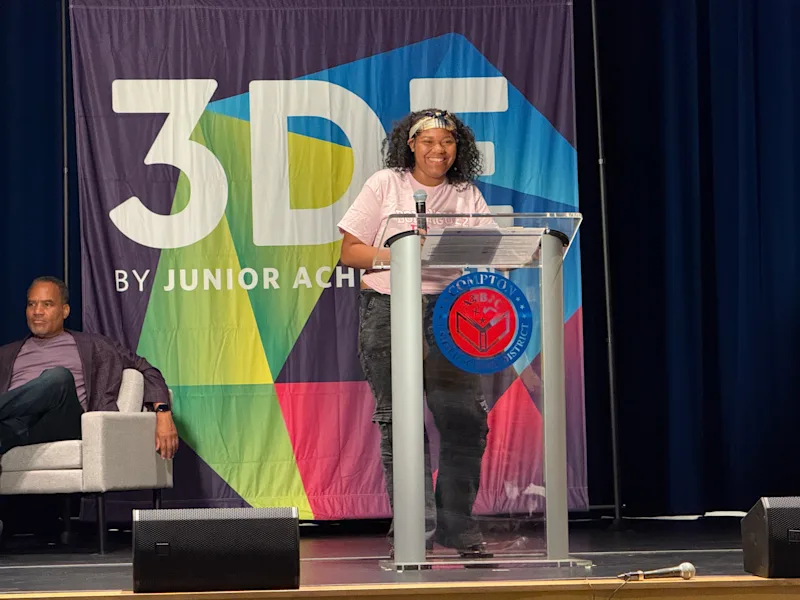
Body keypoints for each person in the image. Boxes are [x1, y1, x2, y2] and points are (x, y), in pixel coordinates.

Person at [338, 109, 494, 558]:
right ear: (410, 144)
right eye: (428, 142)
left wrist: (492, 260)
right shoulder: (385, 184)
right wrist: (401, 254)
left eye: (447, 142)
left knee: (466, 421)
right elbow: (350, 252)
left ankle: (456, 526)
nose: (438, 151)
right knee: (400, 425)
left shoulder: (466, 193)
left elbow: (492, 250)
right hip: (390, 308)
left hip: (451, 311)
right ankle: (414, 531)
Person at [0, 275, 179, 460]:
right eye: (32, 304)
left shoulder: (95, 345)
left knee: (58, 378)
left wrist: (163, 411)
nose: (37, 311)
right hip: (17, 424)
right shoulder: (6, 354)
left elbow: (147, 369)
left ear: (65, 310)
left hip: (64, 421)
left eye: (47, 304)